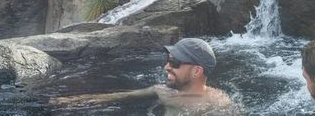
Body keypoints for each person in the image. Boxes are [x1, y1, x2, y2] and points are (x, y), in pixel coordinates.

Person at [50, 38, 239, 115]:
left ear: (197, 71)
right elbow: (117, 97)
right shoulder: (163, 91)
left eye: (174, 63)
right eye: (168, 60)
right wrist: (70, 101)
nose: (166, 66)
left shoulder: (219, 105)